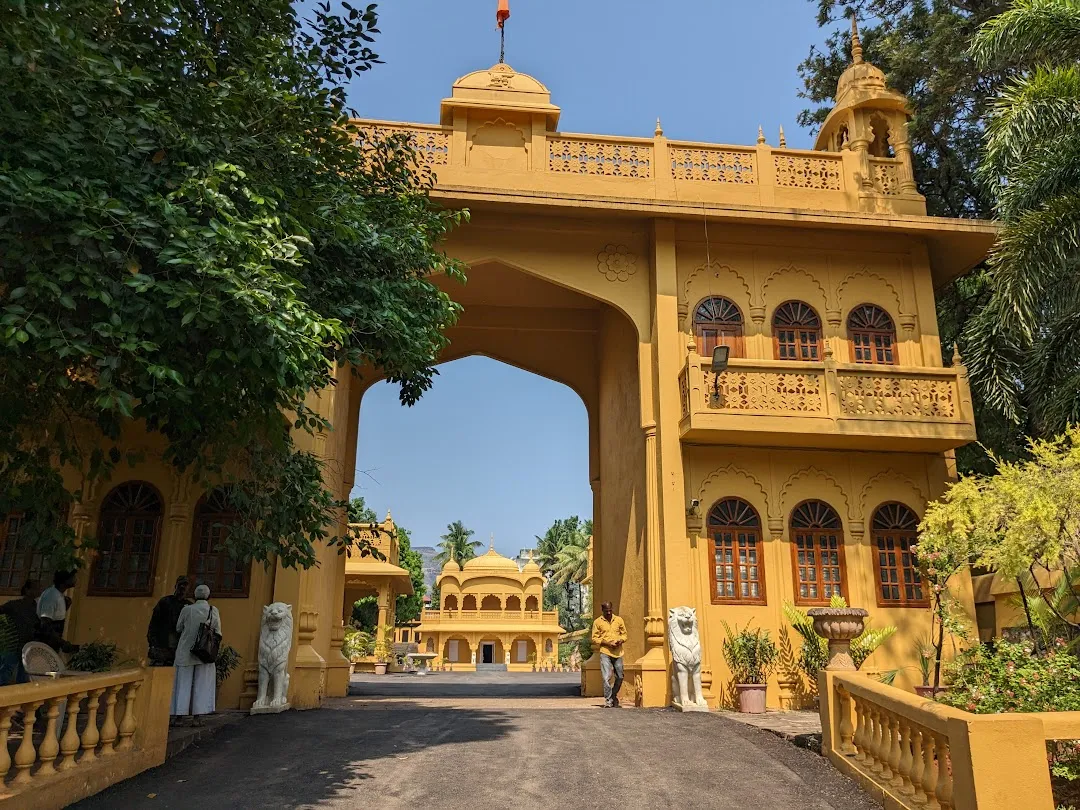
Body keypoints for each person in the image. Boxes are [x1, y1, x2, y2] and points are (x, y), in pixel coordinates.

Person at [172, 584, 220, 726]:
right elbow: (218, 631)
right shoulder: (213, 610)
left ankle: (179, 717)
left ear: (194, 596)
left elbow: (178, 627)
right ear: (208, 596)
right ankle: (197, 717)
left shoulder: (187, 610)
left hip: (185, 651)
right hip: (205, 652)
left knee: (182, 684)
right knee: (202, 684)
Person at [0, 579, 40, 684]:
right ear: (27, 590)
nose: (38, 590)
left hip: (28, 644)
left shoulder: (37, 607)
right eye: (35, 588)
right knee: (6, 670)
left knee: (24, 672)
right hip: (13, 644)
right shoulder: (15, 605)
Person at [591, 601, 627, 708]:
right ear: (602, 610)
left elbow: (624, 634)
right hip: (605, 652)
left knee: (620, 676)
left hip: (618, 652)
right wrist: (607, 643)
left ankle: (613, 695)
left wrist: (620, 641)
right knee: (606, 677)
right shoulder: (598, 622)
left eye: (610, 610)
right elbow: (594, 638)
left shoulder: (619, 620)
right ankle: (608, 700)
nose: (609, 613)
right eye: (606, 611)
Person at [147, 576, 191, 666]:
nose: (182, 587)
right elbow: (153, 624)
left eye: (185, 585)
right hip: (162, 648)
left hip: (179, 650)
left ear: (188, 589)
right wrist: (153, 643)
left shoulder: (189, 606)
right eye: (180, 585)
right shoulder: (165, 602)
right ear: (176, 586)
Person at [37, 570, 79, 654]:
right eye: (73, 577)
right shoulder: (51, 596)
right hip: (44, 646)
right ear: (65, 580)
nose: (76, 579)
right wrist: (62, 643)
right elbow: (45, 625)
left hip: (51, 645)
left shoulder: (58, 595)